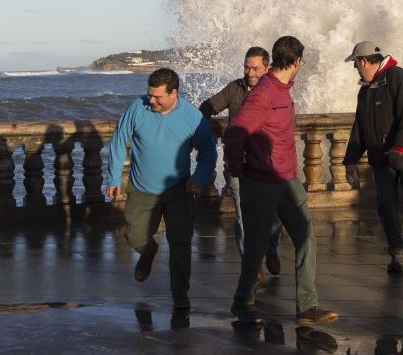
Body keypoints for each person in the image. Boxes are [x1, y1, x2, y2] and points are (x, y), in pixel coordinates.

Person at [224, 35, 338, 326]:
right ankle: (242, 302)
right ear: (297, 61)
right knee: (257, 246)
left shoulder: (283, 90)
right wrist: (236, 168)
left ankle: (307, 306)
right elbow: (236, 131)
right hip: (261, 182)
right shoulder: (264, 94)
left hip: (288, 180)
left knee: (306, 238)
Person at [106, 68, 217, 313]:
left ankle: (180, 295)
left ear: (174, 93)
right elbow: (119, 139)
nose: (151, 101)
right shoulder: (138, 107)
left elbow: (208, 150)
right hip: (142, 187)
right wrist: (113, 177)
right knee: (134, 236)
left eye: (157, 97)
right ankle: (148, 251)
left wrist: (199, 176)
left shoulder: (192, 117)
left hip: (179, 189)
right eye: (150, 95)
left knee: (180, 243)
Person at [341, 41, 403, 273]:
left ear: (364, 61)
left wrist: (399, 147)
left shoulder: (398, 77)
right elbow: (360, 128)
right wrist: (350, 160)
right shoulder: (365, 90)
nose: (355, 69)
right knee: (386, 207)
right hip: (380, 159)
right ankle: (398, 255)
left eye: (355, 64)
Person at [199, 47, 283, 281]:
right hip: (238, 163)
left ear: (267, 68)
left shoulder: (275, 91)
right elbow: (207, 107)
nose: (249, 72)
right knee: (242, 215)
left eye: (255, 68)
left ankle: (271, 249)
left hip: (268, 164)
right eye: (247, 67)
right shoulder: (235, 88)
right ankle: (251, 264)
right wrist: (204, 133)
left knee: (273, 214)